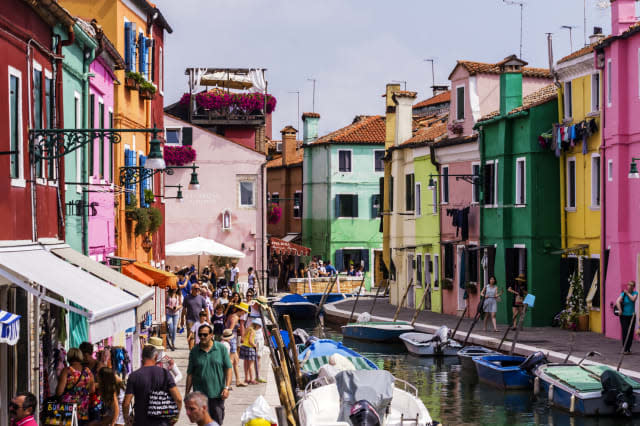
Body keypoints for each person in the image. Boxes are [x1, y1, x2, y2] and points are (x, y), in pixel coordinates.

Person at [185, 324, 232, 425]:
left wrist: (227, 387)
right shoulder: (194, 351)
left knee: (217, 422)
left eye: (205, 335)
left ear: (211, 335)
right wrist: (187, 394)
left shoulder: (221, 348)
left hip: (217, 395)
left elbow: (228, 368)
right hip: (200, 397)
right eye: (200, 335)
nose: (202, 337)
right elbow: (190, 374)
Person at [123, 345, 182, 426]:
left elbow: (126, 403)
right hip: (162, 422)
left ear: (142, 356)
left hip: (141, 422)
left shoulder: (134, 376)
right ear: (156, 356)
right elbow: (178, 399)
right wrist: (175, 417)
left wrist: (127, 419)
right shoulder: (165, 374)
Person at [56, 347, 95, 424]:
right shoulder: (87, 371)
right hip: (83, 409)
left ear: (69, 357)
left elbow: (59, 392)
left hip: (68, 409)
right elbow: (92, 390)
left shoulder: (67, 371)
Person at [225, 304, 247, 387]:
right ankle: (228, 382)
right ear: (241, 310)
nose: (244, 314)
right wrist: (228, 340)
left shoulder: (231, 315)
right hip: (232, 339)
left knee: (236, 362)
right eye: (244, 312)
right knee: (230, 362)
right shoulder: (236, 317)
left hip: (231, 338)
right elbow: (230, 329)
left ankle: (238, 380)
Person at [617, 280, 638, 354]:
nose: (630, 286)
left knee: (631, 332)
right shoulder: (623, 294)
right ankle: (625, 348)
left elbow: (633, 299)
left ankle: (628, 348)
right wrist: (620, 310)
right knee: (625, 332)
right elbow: (617, 301)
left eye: (631, 285)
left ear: (633, 287)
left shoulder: (635, 293)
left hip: (632, 316)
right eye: (629, 285)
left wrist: (627, 293)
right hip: (624, 316)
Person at [239, 318, 260, 385]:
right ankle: (252, 379)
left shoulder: (248, 329)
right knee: (251, 365)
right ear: (257, 325)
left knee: (245, 364)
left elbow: (243, 338)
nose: (259, 328)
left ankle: (246, 378)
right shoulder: (253, 331)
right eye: (259, 326)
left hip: (244, 346)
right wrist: (255, 346)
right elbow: (250, 341)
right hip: (250, 348)